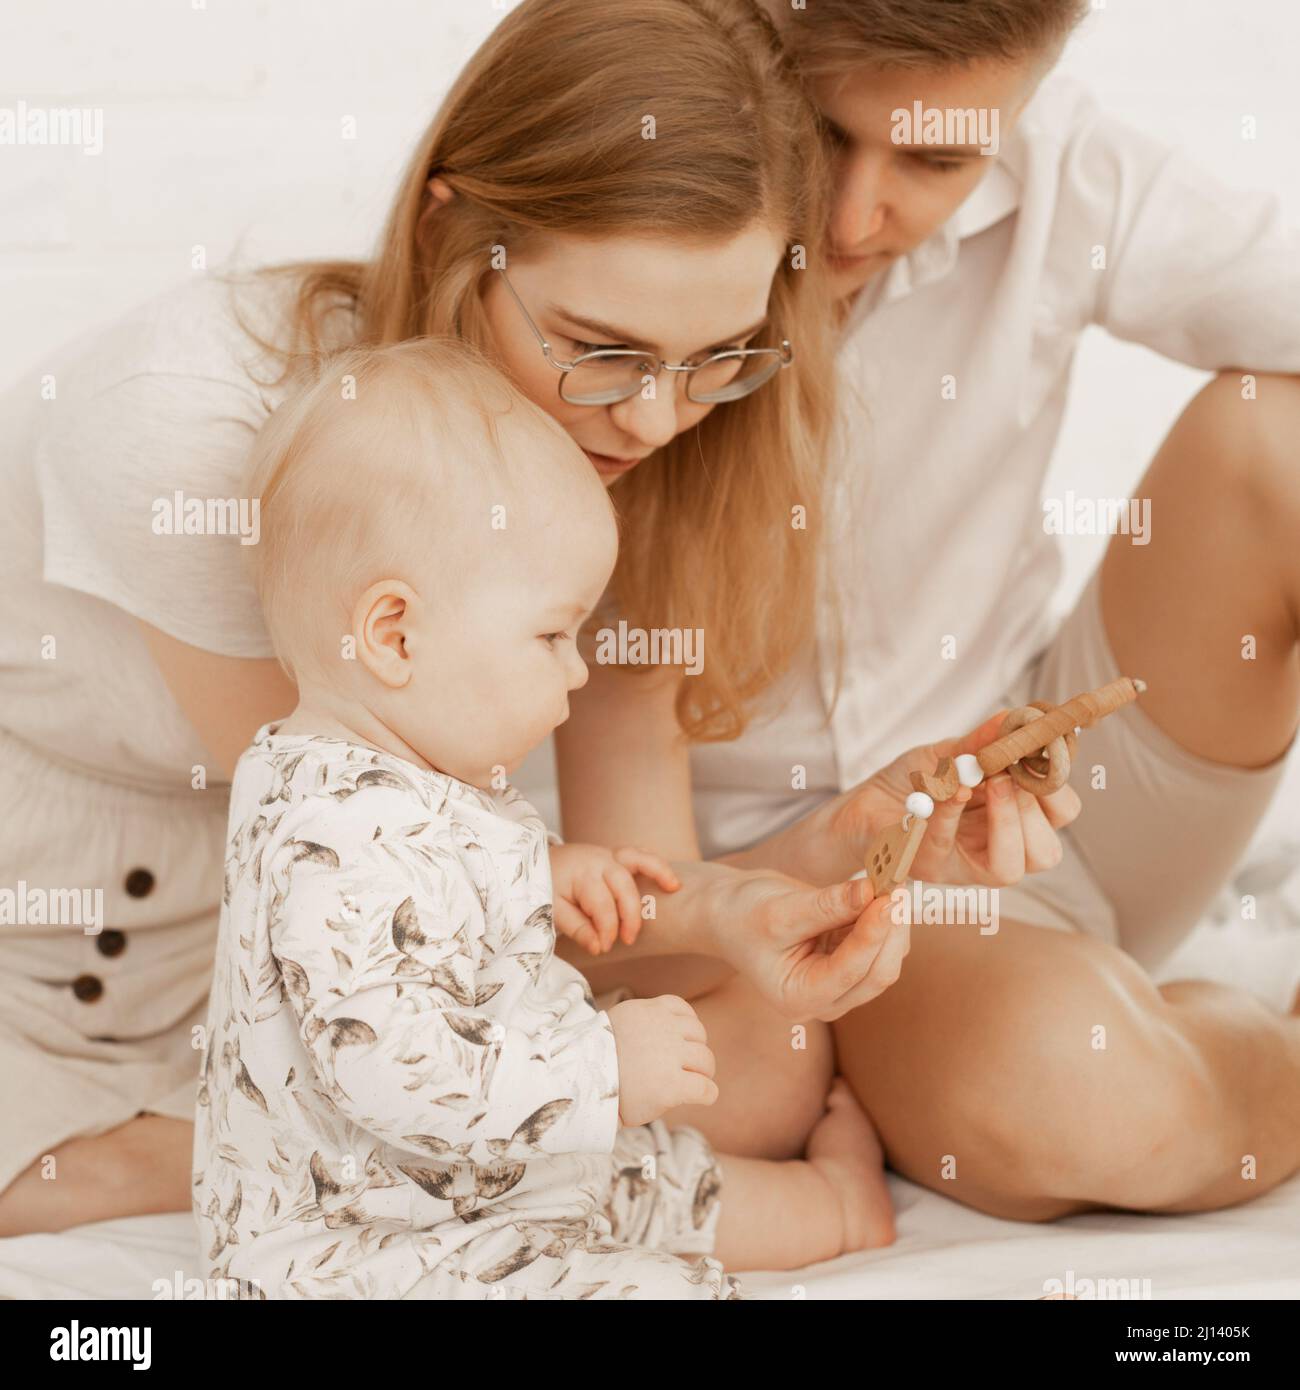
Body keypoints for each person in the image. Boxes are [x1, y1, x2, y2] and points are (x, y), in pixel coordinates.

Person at [560, 0, 1300, 1219]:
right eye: (819, 128)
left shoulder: (1064, 162)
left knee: (1277, 440)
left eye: (940, 158)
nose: (854, 220)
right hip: (779, 899)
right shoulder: (636, 287)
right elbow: (659, 925)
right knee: (1086, 1099)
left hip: (1041, 788)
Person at [195, 338, 898, 1299]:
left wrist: (540, 874)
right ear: (396, 634)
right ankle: (804, 1216)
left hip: (477, 1186)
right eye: (551, 634)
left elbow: (434, 884)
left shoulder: (379, 778)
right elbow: (394, 1073)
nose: (577, 669)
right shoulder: (332, 837)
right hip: (369, 1248)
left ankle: (837, 1206)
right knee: (633, 1268)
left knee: (654, 1175)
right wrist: (600, 1066)